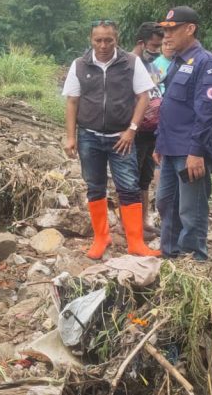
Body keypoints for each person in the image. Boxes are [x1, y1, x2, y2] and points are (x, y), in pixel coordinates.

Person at [63, 19, 160, 259]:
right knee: (95, 186)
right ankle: (101, 237)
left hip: (122, 138)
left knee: (128, 187)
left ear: (116, 40)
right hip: (89, 137)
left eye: (109, 40)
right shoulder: (79, 65)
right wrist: (70, 137)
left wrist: (132, 130)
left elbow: (143, 97)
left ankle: (135, 241)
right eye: (98, 40)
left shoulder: (130, 63)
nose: (103, 45)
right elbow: (72, 102)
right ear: (91, 40)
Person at [153, 6, 212, 261]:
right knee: (165, 202)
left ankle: (193, 261)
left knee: (190, 210)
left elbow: (208, 111)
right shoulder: (176, 63)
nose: (166, 36)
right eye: (164, 31)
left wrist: (197, 151)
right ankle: (170, 256)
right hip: (171, 147)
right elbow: (168, 105)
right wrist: (159, 144)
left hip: (190, 151)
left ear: (190, 29)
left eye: (172, 30)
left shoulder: (207, 63)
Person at [131, 22, 166, 237]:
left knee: (144, 179)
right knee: (129, 179)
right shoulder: (128, 64)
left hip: (151, 131)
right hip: (133, 132)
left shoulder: (151, 66)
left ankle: (142, 222)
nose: (156, 50)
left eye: (159, 46)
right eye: (153, 46)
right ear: (141, 43)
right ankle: (130, 224)